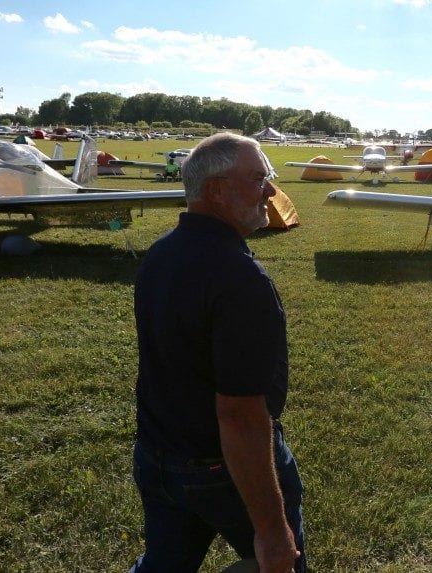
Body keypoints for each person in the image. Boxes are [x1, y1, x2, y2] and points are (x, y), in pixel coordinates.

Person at [131, 133, 305, 573]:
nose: (270, 189)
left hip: (156, 459)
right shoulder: (240, 279)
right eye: (259, 178)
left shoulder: (159, 254)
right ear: (217, 190)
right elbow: (241, 416)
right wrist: (270, 532)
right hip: (219, 473)